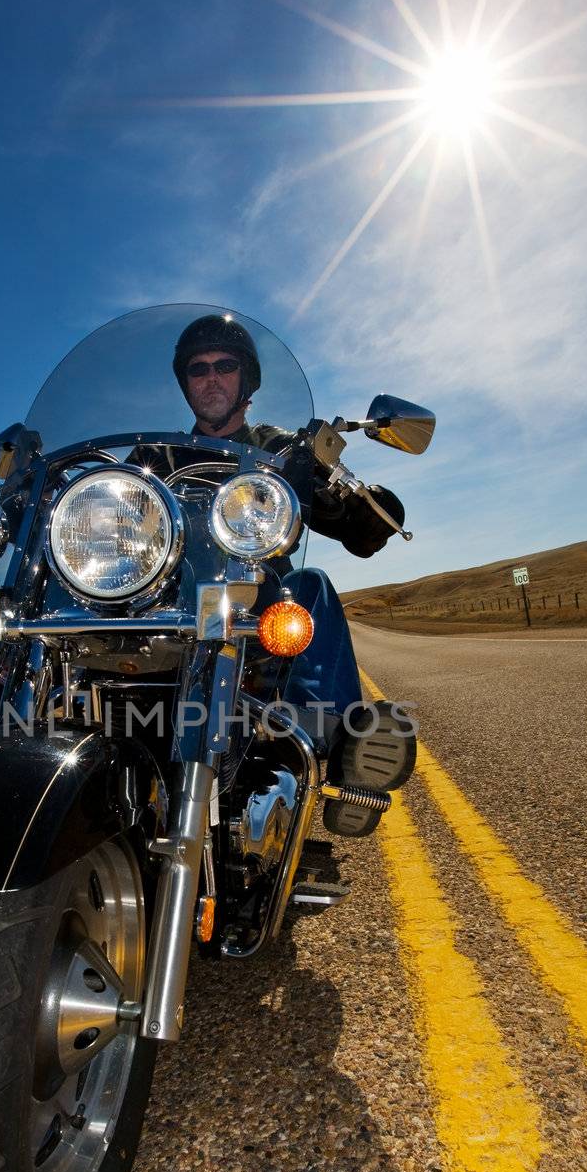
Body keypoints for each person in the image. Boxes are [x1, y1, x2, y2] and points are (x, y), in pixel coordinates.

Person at [173, 314, 415, 836]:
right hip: (165, 609)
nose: (211, 378)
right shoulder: (157, 456)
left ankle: (332, 738)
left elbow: (365, 530)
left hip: (258, 609)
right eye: (198, 369)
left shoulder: (282, 448)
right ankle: (4, 721)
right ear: (185, 383)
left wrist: (349, 497)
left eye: (225, 365)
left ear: (247, 379)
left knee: (312, 587)